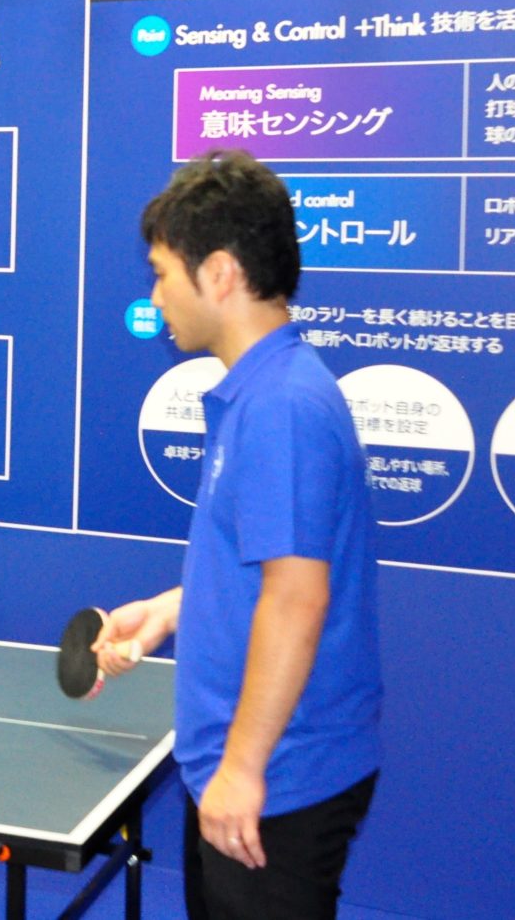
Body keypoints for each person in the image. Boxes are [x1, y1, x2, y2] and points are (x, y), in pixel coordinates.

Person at [94, 150, 382, 920]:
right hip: (251, 770)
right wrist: (170, 609)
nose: (155, 296)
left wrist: (245, 767)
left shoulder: (282, 406)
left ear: (219, 272)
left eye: (162, 274)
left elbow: (296, 599)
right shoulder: (259, 393)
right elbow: (269, 568)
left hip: (276, 781)